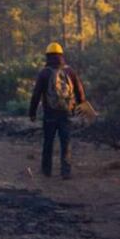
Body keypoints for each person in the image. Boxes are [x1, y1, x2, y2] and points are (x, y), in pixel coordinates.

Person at [28, 42, 86, 180]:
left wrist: (32, 112)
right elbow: (79, 92)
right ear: (61, 55)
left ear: (47, 56)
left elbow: (36, 94)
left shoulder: (44, 73)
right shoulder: (70, 72)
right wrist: (82, 108)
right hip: (67, 114)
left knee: (48, 142)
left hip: (49, 114)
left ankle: (46, 171)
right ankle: (66, 172)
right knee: (66, 143)